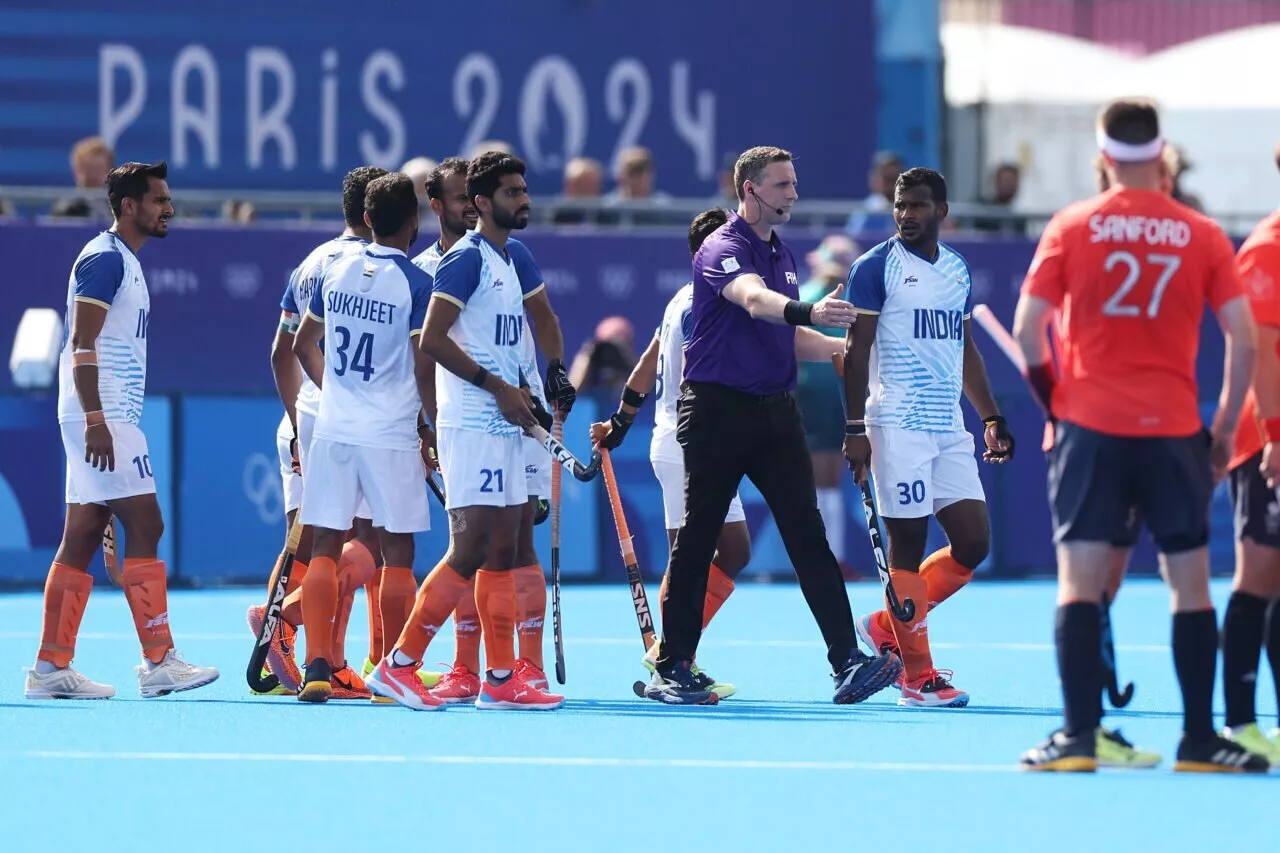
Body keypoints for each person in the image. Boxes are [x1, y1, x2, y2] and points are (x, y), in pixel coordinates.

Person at [1013, 99, 1265, 772]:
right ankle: (1199, 738)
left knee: (1080, 582)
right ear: (1162, 156)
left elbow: (1028, 327)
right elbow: (1242, 339)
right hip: (1175, 428)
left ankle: (1078, 735)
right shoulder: (1203, 232)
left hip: (1091, 427)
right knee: (1190, 585)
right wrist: (1218, 431)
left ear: (1102, 159)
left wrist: (1054, 402)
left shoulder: (1072, 225)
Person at [640, 145, 902, 705]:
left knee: (809, 537)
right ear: (750, 190)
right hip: (715, 413)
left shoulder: (781, 251)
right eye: (783, 184)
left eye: (793, 183)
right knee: (698, 540)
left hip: (776, 414)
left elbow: (785, 333)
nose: (793, 194)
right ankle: (672, 665)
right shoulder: (722, 247)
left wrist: (841, 349)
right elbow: (755, 302)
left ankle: (847, 663)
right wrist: (809, 310)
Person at [594, 206, 842, 699]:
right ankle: (672, 660)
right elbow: (747, 353)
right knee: (688, 554)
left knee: (732, 549)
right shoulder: (707, 303)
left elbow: (647, 361)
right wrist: (624, 422)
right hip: (688, 437)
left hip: (685, 435)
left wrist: (623, 418)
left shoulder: (683, 300)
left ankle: (672, 649)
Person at [366, 152, 568, 711]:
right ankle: (399, 664)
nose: (523, 199)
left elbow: (527, 334)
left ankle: (500, 677)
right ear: (481, 203)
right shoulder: (466, 260)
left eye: (524, 189)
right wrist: (495, 386)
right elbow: (430, 339)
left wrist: (535, 385)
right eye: (511, 192)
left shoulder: (508, 259)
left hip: (506, 424)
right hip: (472, 423)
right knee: (470, 547)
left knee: (503, 547)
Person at [27, 161, 219, 700]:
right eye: (158, 200)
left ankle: (50, 667)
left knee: (84, 534)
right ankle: (159, 660)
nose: (169, 209)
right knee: (147, 521)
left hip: (105, 413)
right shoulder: (105, 259)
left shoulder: (124, 261)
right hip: (102, 413)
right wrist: (96, 420)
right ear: (129, 205)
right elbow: (82, 343)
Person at [842, 167, 1014, 709]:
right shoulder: (875, 268)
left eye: (918, 205)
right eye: (900, 205)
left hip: (948, 426)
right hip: (897, 424)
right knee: (909, 547)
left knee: (973, 543)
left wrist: (990, 416)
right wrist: (854, 430)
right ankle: (917, 678)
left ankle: (887, 621)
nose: (906, 215)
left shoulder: (957, 271)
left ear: (942, 211)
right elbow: (855, 350)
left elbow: (962, 348)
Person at [254, 165, 401, 701]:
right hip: (352, 420)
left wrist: (298, 422)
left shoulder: (312, 262)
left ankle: (303, 645)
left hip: (303, 416)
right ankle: (297, 629)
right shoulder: (374, 269)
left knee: (313, 544)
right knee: (366, 544)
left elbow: (281, 350)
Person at [289, 173, 437, 702]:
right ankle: (393, 673)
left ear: (367, 219)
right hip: (391, 432)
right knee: (397, 553)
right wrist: (434, 428)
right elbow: (423, 368)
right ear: (415, 221)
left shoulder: (336, 269)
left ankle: (317, 667)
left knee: (325, 545)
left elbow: (304, 345)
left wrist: (335, 392)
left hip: (334, 427)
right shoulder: (419, 284)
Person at [1219, 180, 1280, 763]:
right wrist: (1276, 436)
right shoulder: (1268, 247)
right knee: (1259, 574)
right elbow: (1260, 348)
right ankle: (1240, 724)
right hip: (1267, 440)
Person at [796, 235, 861, 574]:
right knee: (821, 481)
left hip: (837, 399)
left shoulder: (850, 302)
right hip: (816, 400)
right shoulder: (806, 298)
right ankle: (824, 560)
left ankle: (829, 559)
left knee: (828, 481)